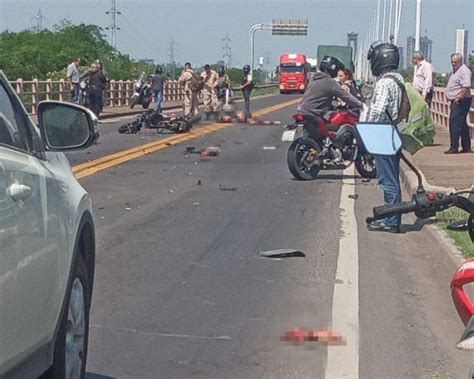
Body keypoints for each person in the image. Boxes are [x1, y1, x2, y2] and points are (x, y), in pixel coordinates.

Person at [366, 42, 404, 233]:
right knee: (393, 178)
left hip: (383, 133)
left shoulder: (383, 83)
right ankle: (393, 217)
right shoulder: (398, 79)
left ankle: (391, 221)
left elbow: (378, 111)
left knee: (387, 180)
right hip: (394, 132)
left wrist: (367, 130)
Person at [444, 52, 472, 154]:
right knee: (462, 123)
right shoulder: (456, 70)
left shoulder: (464, 71)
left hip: (461, 100)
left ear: (460, 61)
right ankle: (466, 146)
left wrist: (459, 96)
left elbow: (466, 85)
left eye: (455, 62)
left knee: (454, 123)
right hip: (457, 99)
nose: (453, 64)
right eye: (452, 62)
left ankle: (454, 147)